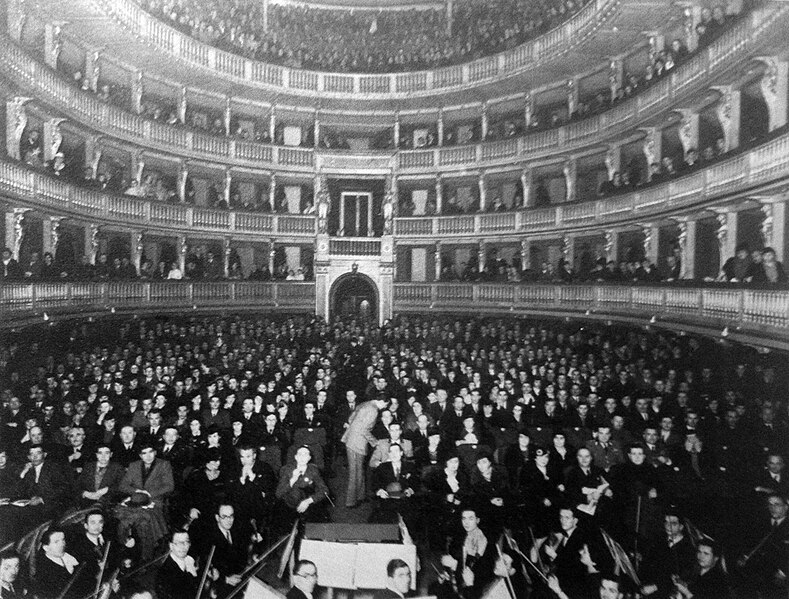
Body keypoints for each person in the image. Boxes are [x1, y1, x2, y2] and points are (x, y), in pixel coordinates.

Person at [341, 397, 388, 508]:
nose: (384, 407)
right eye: (385, 405)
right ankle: (350, 502)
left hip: (351, 439)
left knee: (359, 470)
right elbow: (364, 430)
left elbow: (351, 418)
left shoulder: (366, 403)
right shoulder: (374, 410)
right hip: (357, 443)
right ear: (382, 401)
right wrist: (375, 442)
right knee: (355, 472)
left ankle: (360, 496)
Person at [155, 531, 199, 599]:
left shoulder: (190, 560)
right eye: (179, 543)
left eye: (186, 542)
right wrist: (192, 576)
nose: (184, 546)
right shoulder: (164, 573)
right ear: (171, 546)